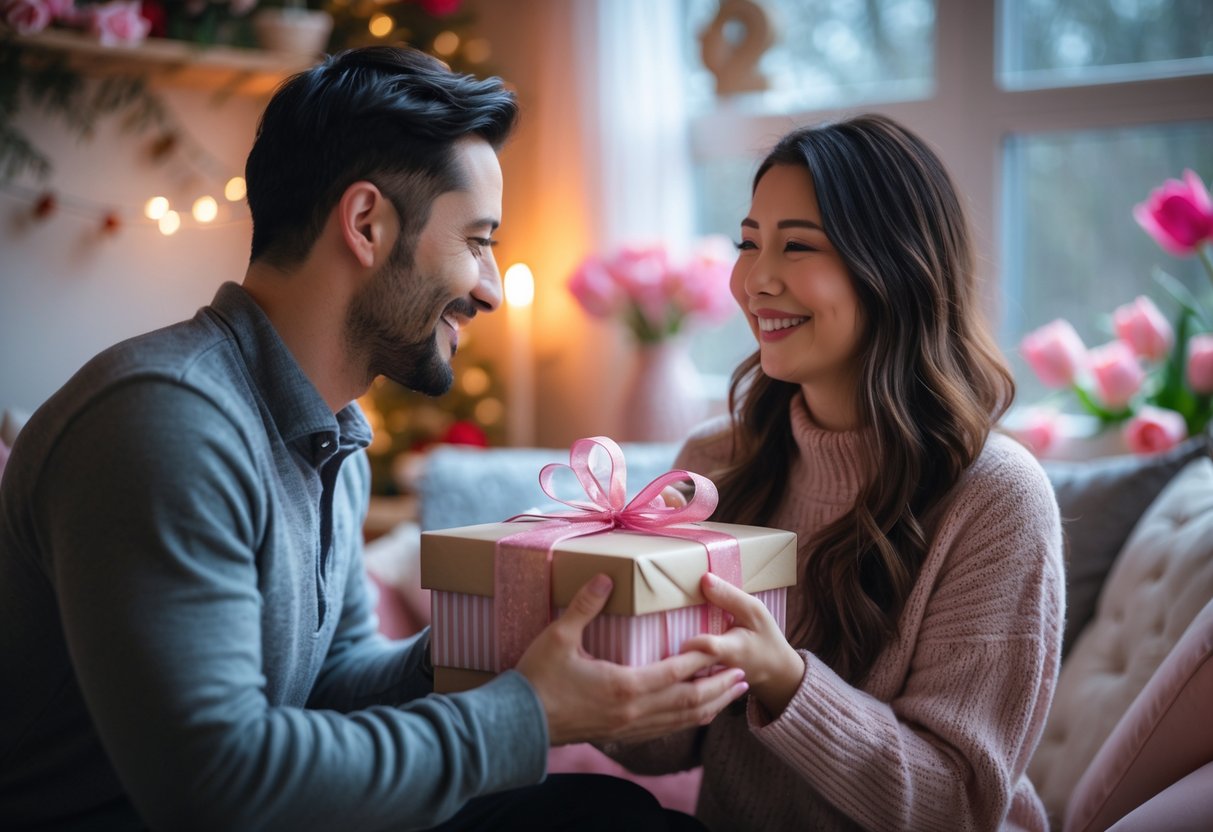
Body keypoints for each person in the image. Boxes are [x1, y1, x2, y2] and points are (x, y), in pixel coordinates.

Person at [0, 46, 747, 831]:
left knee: (607, 813)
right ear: (365, 224)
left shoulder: (327, 435)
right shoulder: (166, 421)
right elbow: (213, 785)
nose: (490, 288)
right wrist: (527, 714)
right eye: (479, 240)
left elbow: (327, 689)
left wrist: (483, 642)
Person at [608, 114, 1065, 830]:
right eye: (748, 243)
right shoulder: (711, 463)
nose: (755, 280)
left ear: (894, 266)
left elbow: (958, 805)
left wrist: (781, 677)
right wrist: (603, 647)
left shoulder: (997, 498)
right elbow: (658, 754)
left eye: (795, 247)